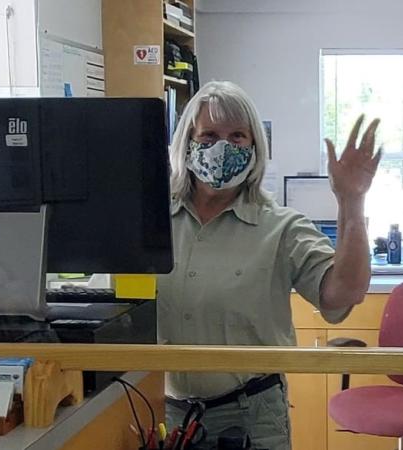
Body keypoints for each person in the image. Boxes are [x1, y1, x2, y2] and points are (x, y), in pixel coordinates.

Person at [158, 81, 381, 450]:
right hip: (165, 416)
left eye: (237, 137)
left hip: (251, 418)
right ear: (187, 144)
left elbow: (346, 291)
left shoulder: (282, 228)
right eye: (209, 135)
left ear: (255, 148)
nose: (222, 147)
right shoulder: (152, 224)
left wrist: (351, 201)